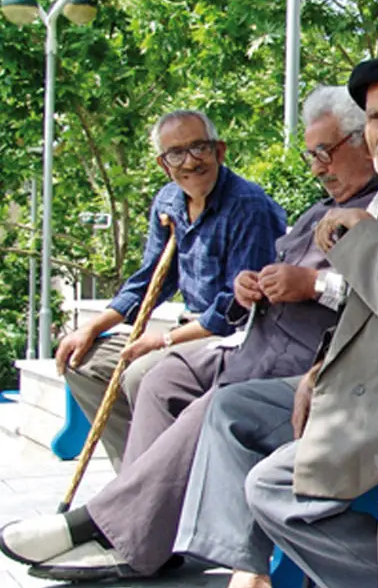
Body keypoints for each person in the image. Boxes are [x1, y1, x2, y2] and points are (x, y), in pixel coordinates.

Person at [0, 87, 378, 581]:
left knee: (206, 403)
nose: (316, 167)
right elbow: (164, 281)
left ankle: (109, 529)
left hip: (304, 359)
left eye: (326, 153)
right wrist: (255, 286)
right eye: (312, 155)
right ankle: (146, 531)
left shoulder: (376, 209)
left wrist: (311, 285)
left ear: (364, 143)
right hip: (252, 341)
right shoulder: (314, 207)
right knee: (160, 380)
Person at [157, 55, 378, 588]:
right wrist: (317, 370)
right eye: (376, 116)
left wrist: (357, 237)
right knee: (231, 409)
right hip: (346, 380)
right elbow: (360, 306)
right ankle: (249, 586)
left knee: (271, 486)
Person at [56, 110, 287, 471]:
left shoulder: (248, 205)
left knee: (139, 373)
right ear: (164, 165)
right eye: (176, 154)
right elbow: (153, 280)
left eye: (199, 148)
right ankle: (136, 475)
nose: (190, 162)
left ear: (219, 151)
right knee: (82, 363)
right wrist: (93, 327)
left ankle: (151, 484)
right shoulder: (168, 202)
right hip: (188, 328)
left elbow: (235, 309)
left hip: (234, 337)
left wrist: (164, 342)